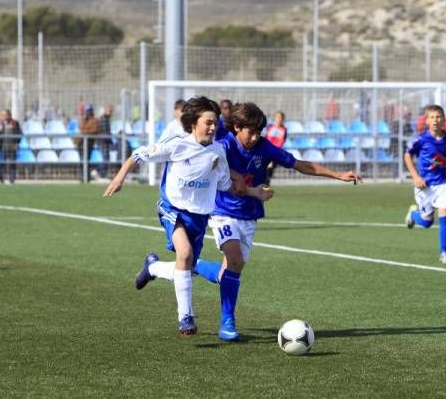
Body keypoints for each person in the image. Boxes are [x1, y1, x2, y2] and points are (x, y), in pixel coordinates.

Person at [136, 102, 362, 342]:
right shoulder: (221, 146)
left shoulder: (265, 148)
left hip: (249, 216)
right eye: (250, 132)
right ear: (236, 127)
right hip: (221, 212)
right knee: (234, 258)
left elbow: (299, 164)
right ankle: (227, 322)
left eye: (258, 132)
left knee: (229, 270)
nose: (254, 137)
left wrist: (336, 175)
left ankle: (157, 267)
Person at [103, 96, 270, 336]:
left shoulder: (218, 152)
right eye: (208, 122)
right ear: (193, 123)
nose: (213, 127)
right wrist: (119, 178)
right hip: (172, 209)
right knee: (185, 254)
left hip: (200, 217)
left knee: (185, 268)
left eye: (215, 123)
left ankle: (152, 268)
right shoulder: (177, 144)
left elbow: (226, 185)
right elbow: (137, 156)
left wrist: (253, 191)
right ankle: (186, 318)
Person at [404, 104, 446, 265]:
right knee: (426, 222)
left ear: (444, 119)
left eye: (438, 117)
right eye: (432, 117)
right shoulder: (420, 140)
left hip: (443, 183)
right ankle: (412, 214)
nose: (435, 120)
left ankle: (444, 253)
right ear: (426, 121)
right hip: (424, 185)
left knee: (444, 214)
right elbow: (407, 156)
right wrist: (416, 176)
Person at [76, 103, 102, 182]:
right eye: (87, 111)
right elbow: (81, 128)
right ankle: (82, 176)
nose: (88, 113)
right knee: (81, 160)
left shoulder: (95, 120)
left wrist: (85, 132)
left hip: (89, 144)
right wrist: (85, 130)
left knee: (87, 160)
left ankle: (86, 177)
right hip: (81, 144)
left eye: (89, 111)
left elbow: (94, 130)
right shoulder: (84, 119)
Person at [263, 110, 287, 184]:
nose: (278, 119)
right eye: (276, 117)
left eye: (280, 117)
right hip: (266, 151)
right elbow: (265, 139)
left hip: (274, 153)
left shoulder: (283, 130)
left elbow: (281, 143)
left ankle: (265, 187)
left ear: (282, 119)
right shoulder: (270, 128)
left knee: (269, 170)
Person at [0, 109, 21, 184]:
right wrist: (0, 128)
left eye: (5, 115)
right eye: (3, 115)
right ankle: (1, 179)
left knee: (12, 164)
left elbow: (19, 133)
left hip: (12, 147)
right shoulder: (1, 124)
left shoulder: (15, 123)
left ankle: (12, 180)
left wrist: (17, 143)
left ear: (9, 115)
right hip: (3, 147)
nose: (4, 117)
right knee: (1, 164)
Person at [99, 104, 113, 177]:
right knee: (105, 157)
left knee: (106, 157)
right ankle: (101, 173)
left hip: (106, 141)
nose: (111, 112)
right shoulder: (104, 119)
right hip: (103, 142)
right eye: (110, 111)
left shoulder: (106, 118)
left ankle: (103, 173)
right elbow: (104, 132)